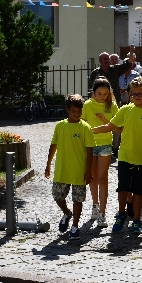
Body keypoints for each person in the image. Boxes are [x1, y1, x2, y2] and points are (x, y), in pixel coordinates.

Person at [93, 77, 142, 235]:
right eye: (134, 94)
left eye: (141, 93)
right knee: (123, 188)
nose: (137, 96)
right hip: (125, 156)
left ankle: (137, 219)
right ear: (129, 94)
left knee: (139, 191)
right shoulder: (125, 110)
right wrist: (89, 131)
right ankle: (121, 214)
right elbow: (109, 126)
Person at [44, 94, 95, 241]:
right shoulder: (60, 126)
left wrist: (88, 170)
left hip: (79, 170)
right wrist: (48, 164)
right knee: (57, 196)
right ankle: (67, 213)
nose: (76, 114)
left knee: (77, 199)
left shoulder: (86, 127)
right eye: (73, 111)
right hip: (62, 169)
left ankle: (75, 226)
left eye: (79, 111)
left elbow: (90, 151)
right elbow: (53, 145)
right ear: (67, 110)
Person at [81, 77, 119, 229]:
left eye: (105, 93)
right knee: (93, 178)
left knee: (103, 179)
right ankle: (95, 205)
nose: (102, 96)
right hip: (90, 145)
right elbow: (82, 124)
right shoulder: (88, 105)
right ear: (93, 93)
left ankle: (103, 212)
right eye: (99, 93)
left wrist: (105, 120)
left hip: (105, 145)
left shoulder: (112, 105)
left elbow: (117, 126)